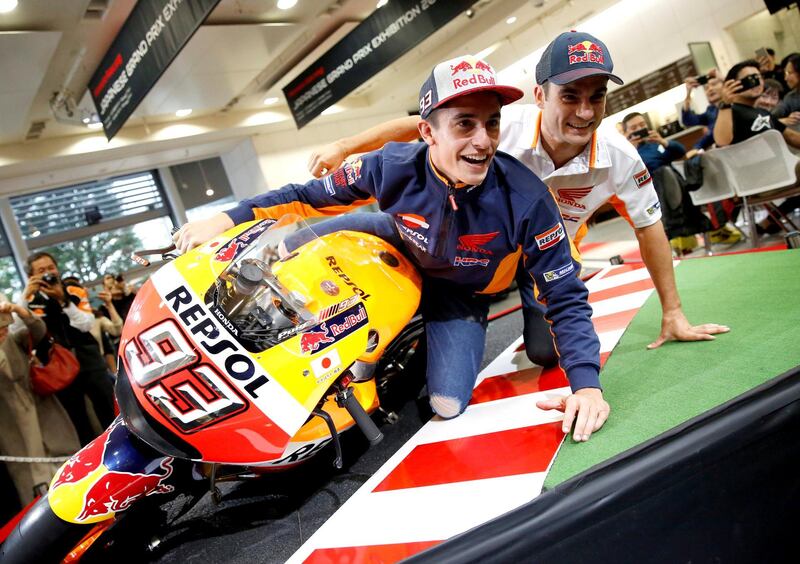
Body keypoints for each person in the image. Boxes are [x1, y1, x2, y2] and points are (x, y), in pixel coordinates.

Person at [175, 55, 609, 441]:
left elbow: (567, 297)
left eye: (491, 122)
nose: (483, 140)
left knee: (450, 404)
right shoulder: (389, 165)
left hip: (468, 288)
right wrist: (228, 218)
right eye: (464, 123)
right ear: (427, 132)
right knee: (295, 237)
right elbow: (306, 194)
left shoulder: (527, 197)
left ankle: (482, 308)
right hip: (398, 235)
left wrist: (587, 387)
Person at [308, 31, 730, 352]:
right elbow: (417, 122)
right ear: (540, 95)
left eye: (597, 97)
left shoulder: (620, 157)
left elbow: (648, 226)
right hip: (458, 240)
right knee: (384, 235)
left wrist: (673, 311)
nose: (585, 113)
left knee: (548, 352)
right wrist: (344, 147)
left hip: (543, 257)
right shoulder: (498, 127)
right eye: (570, 96)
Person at [22, 253, 116, 445]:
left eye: (51, 268)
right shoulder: (31, 299)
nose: (48, 273)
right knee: (77, 418)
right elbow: (19, 330)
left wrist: (64, 301)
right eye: (41, 271)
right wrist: (25, 297)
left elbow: (87, 324)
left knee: (108, 405)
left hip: (89, 358)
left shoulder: (73, 289)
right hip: (58, 365)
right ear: (31, 276)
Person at [0, 296, 80, 504]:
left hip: (42, 409)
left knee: (68, 469)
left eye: (5, 325)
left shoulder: (14, 338)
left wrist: (20, 311)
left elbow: (39, 331)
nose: (3, 329)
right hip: (10, 422)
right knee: (33, 483)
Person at [715, 60, 800, 234]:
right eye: (749, 79)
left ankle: (769, 223)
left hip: (782, 172)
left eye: (758, 77)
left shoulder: (763, 113)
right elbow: (722, 141)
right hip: (756, 181)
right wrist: (725, 104)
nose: (757, 82)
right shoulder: (730, 112)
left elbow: (793, 137)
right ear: (732, 85)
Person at [621, 112, 707, 255]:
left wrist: (663, 141)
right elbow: (625, 175)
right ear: (625, 133)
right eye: (634, 127)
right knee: (662, 174)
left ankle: (677, 232)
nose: (639, 129)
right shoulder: (624, 152)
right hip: (646, 191)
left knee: (665, 172)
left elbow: (680, 152)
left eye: (642, 125)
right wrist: (630, 150)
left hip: (670, 185)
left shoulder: (655, 145)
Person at [681, 69, 723, 151]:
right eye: (706, 88)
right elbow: (688, 120)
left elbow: (712, 134)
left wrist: (697, 147)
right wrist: (688, 93)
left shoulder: (736, 103)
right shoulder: (710, 110)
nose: (710, 89)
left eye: (714, 84)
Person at [771, 53, 800, 127]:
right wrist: (782, 121)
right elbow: (773, 116)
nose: (785, 78)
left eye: (789, 73)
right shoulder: (790, 97)